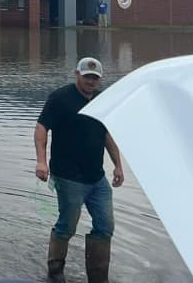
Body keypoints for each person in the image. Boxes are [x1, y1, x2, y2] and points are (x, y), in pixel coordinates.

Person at [35, 57, 123, 283]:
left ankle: (98, 276)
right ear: (77, 74)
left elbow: (105, 134)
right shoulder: (60, 98)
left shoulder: (102, 100)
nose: (91, 81)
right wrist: (41, 161)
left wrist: (118, 165)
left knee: (105, 226)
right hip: (68, 176)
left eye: (95, 78)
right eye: (87, 77)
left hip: (97, 178)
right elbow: (42, 128)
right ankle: (55, 270)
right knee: (67, 225)